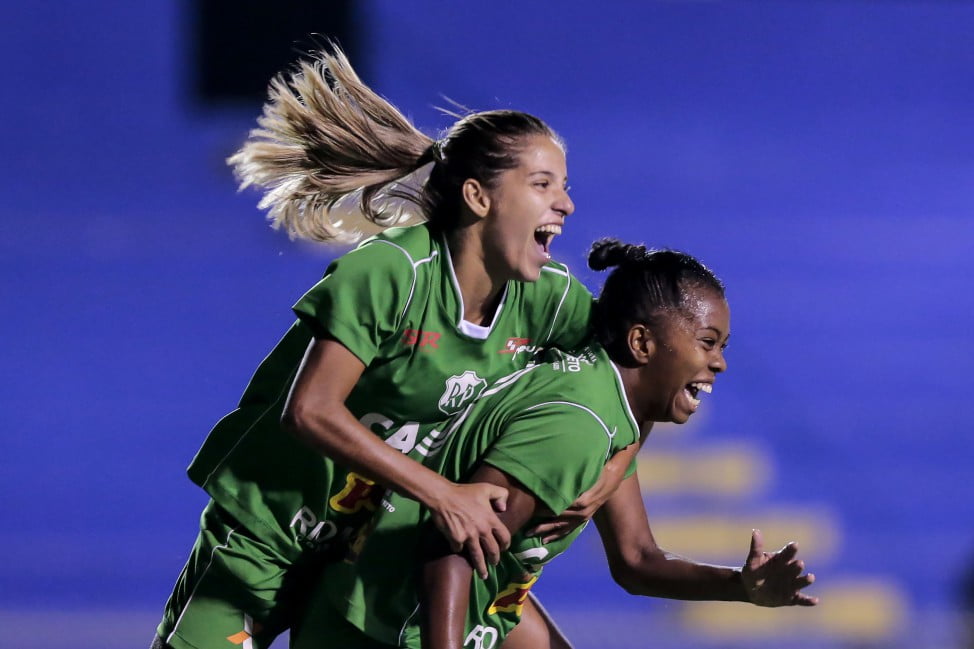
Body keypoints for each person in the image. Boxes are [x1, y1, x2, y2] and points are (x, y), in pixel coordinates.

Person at [151, 48, 635, 649]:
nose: (565, 204)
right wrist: (442, 493)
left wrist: (613, 470)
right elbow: (309, 410)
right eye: (542, 185)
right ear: (479, 198)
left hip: (370, 558)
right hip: (268, 535)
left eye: (564, 187)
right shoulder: (393, 273)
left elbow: (629, 380)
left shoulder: (551, 301)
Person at [290, 240, 818, 649]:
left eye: (722, 346)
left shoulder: (604, 404)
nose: (720, 362)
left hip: (397, 614)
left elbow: (635, 559)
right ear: (641, 343)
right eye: (707, 343)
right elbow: (451, 546)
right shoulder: (578, 426)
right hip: (381, 631)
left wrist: (741, 588)